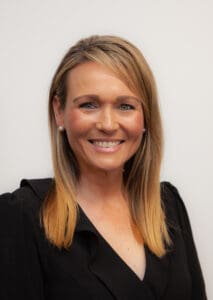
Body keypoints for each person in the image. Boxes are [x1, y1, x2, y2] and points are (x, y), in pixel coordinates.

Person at [0, 35, 207, 300]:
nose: (108, 124)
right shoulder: (19, 216)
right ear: (59, 111)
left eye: (125, 106)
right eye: (89, 105)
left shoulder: (168, 204)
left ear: (145, 116)